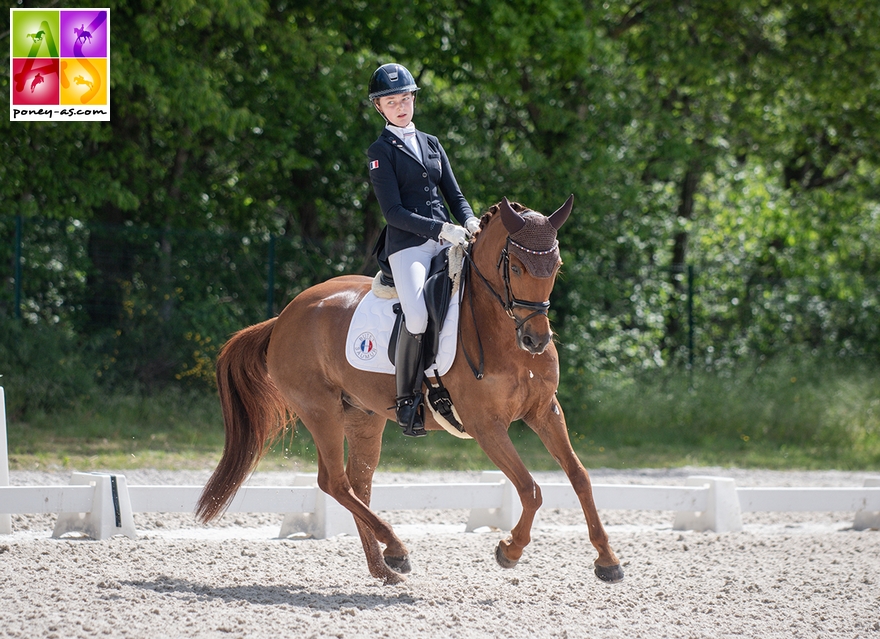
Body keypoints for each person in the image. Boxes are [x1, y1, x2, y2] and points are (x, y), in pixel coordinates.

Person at [366, 62, 480, 438]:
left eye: (405, 99)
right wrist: (441, 229)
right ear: (379, 107)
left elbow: (455, 195)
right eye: (391, 101)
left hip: (449, 238)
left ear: (414, 99)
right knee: (416, 317)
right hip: (409, 246)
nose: (400, 106)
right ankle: (407, 399)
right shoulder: (380, 151)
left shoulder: (432, 143)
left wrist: (470, 221)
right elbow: (393, 212)